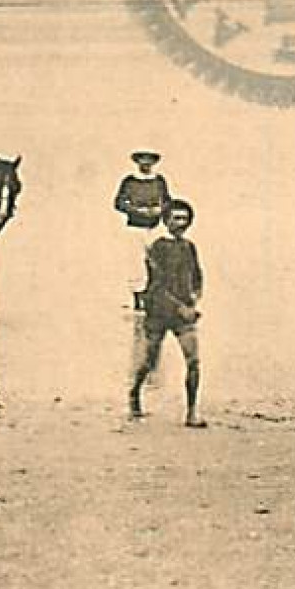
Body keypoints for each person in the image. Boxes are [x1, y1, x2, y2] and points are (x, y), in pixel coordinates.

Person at [129, 199, 205, 427]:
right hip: (159, 312)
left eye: (184, 218)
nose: (180, 223)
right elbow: (157, 284)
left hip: (183, 314)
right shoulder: (158, 247)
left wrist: (194, 300)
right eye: (175, 218)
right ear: (166, 220)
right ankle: (134, 394)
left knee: (193, 361)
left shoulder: (189, 247)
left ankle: (192, 412)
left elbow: (197, 276)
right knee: (148, 361)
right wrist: (180, 306)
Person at [113, 150, 172, 310]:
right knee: (136, 264)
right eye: (142, 160)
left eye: (149, 160)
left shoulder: (159, 181)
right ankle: (138, 299)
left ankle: (155, 297)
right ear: (137, 162)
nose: (146, 163)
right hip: (135, 228)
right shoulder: (129, 181)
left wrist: (159, 210)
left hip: (154, 227)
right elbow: (119, 202)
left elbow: (168, 202)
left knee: (157, 261)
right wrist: (136, 210)